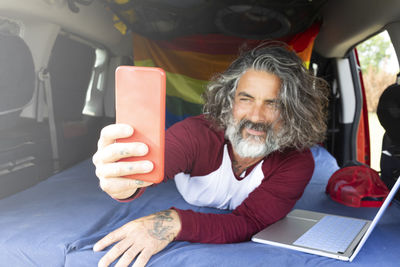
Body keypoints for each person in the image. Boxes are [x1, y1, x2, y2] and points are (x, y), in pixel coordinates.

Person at [92, 43, 329, 267]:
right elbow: (148, 169)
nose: (256, 117)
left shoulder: (297, 160)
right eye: (246, 99)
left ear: (293, 112)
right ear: (229, 102)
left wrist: (173, 222)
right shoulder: (194, 134)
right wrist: (125, 184)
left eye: (273, 104)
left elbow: (251, 222)